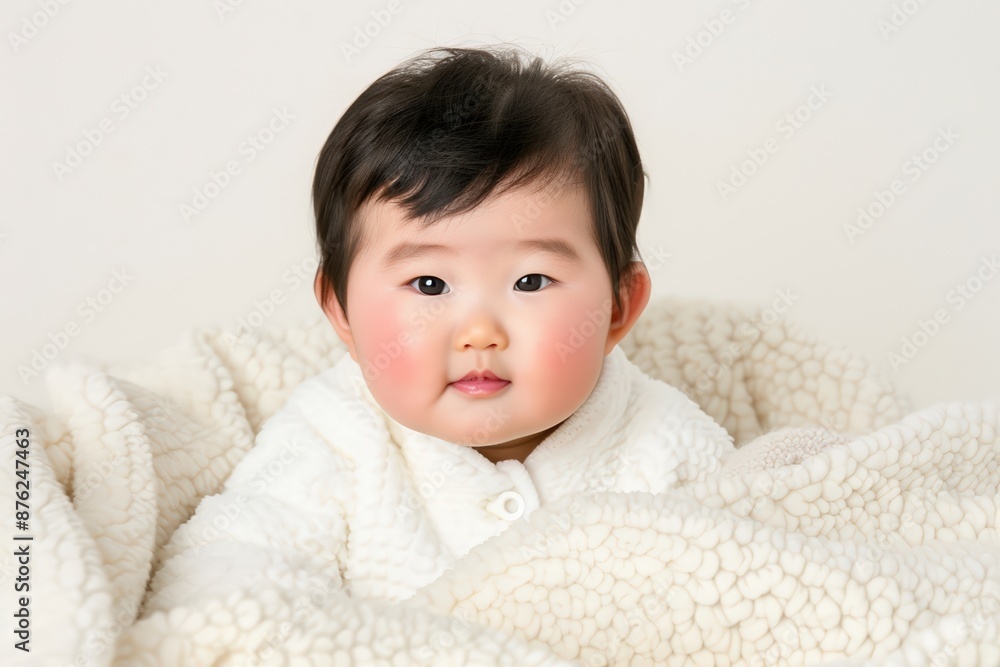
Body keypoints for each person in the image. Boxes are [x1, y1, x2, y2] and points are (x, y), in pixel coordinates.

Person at [144, 44, 733, 617]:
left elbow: (757, 577)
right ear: (342, 312)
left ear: (618, 308)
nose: (479, 332)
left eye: (530, 282)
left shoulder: (664, 440)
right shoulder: (331, 440)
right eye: (429, 285)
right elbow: (226, 577)